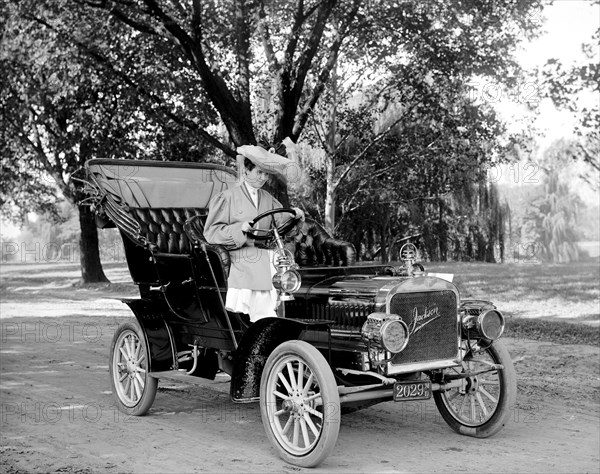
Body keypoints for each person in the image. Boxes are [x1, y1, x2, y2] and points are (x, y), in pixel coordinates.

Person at [203, 145, 305, 323]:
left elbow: (282, 221)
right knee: (262, 258)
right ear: (247, 170)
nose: (263, 178)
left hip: (261, 250)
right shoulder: (227, 197)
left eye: (266, 174)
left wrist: (296, 216)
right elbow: (211, 233)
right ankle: (262, 318)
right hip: (236, 251)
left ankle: (282, 312)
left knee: (280, 258)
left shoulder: (267, 198)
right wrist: (239, 228)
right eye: (259, 172)